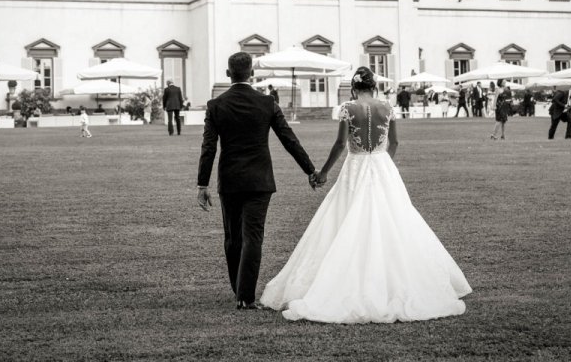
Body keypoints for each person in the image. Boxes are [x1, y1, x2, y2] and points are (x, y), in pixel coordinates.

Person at [260, 67, 471, 322]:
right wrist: (383, 163)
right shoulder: (387, 107)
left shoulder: (348, 108)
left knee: (344, 219)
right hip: (382, 167)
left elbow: (340, 144)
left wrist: (324, 172)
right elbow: (394, 143)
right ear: (374, 87)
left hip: (356, 166)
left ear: (353, 87)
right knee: (396, 220)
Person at [197, 52, 320, 311]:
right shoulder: (267, 103)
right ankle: (245, 296)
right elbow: (289, 139)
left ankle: (239, 291)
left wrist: (202, 184)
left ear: (228, 73)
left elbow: (208, 147)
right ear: (251, 73)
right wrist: (309, 169)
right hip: (260, 180)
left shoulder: (215, 105)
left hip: (229, 180)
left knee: (233, 238)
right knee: (253, 237)